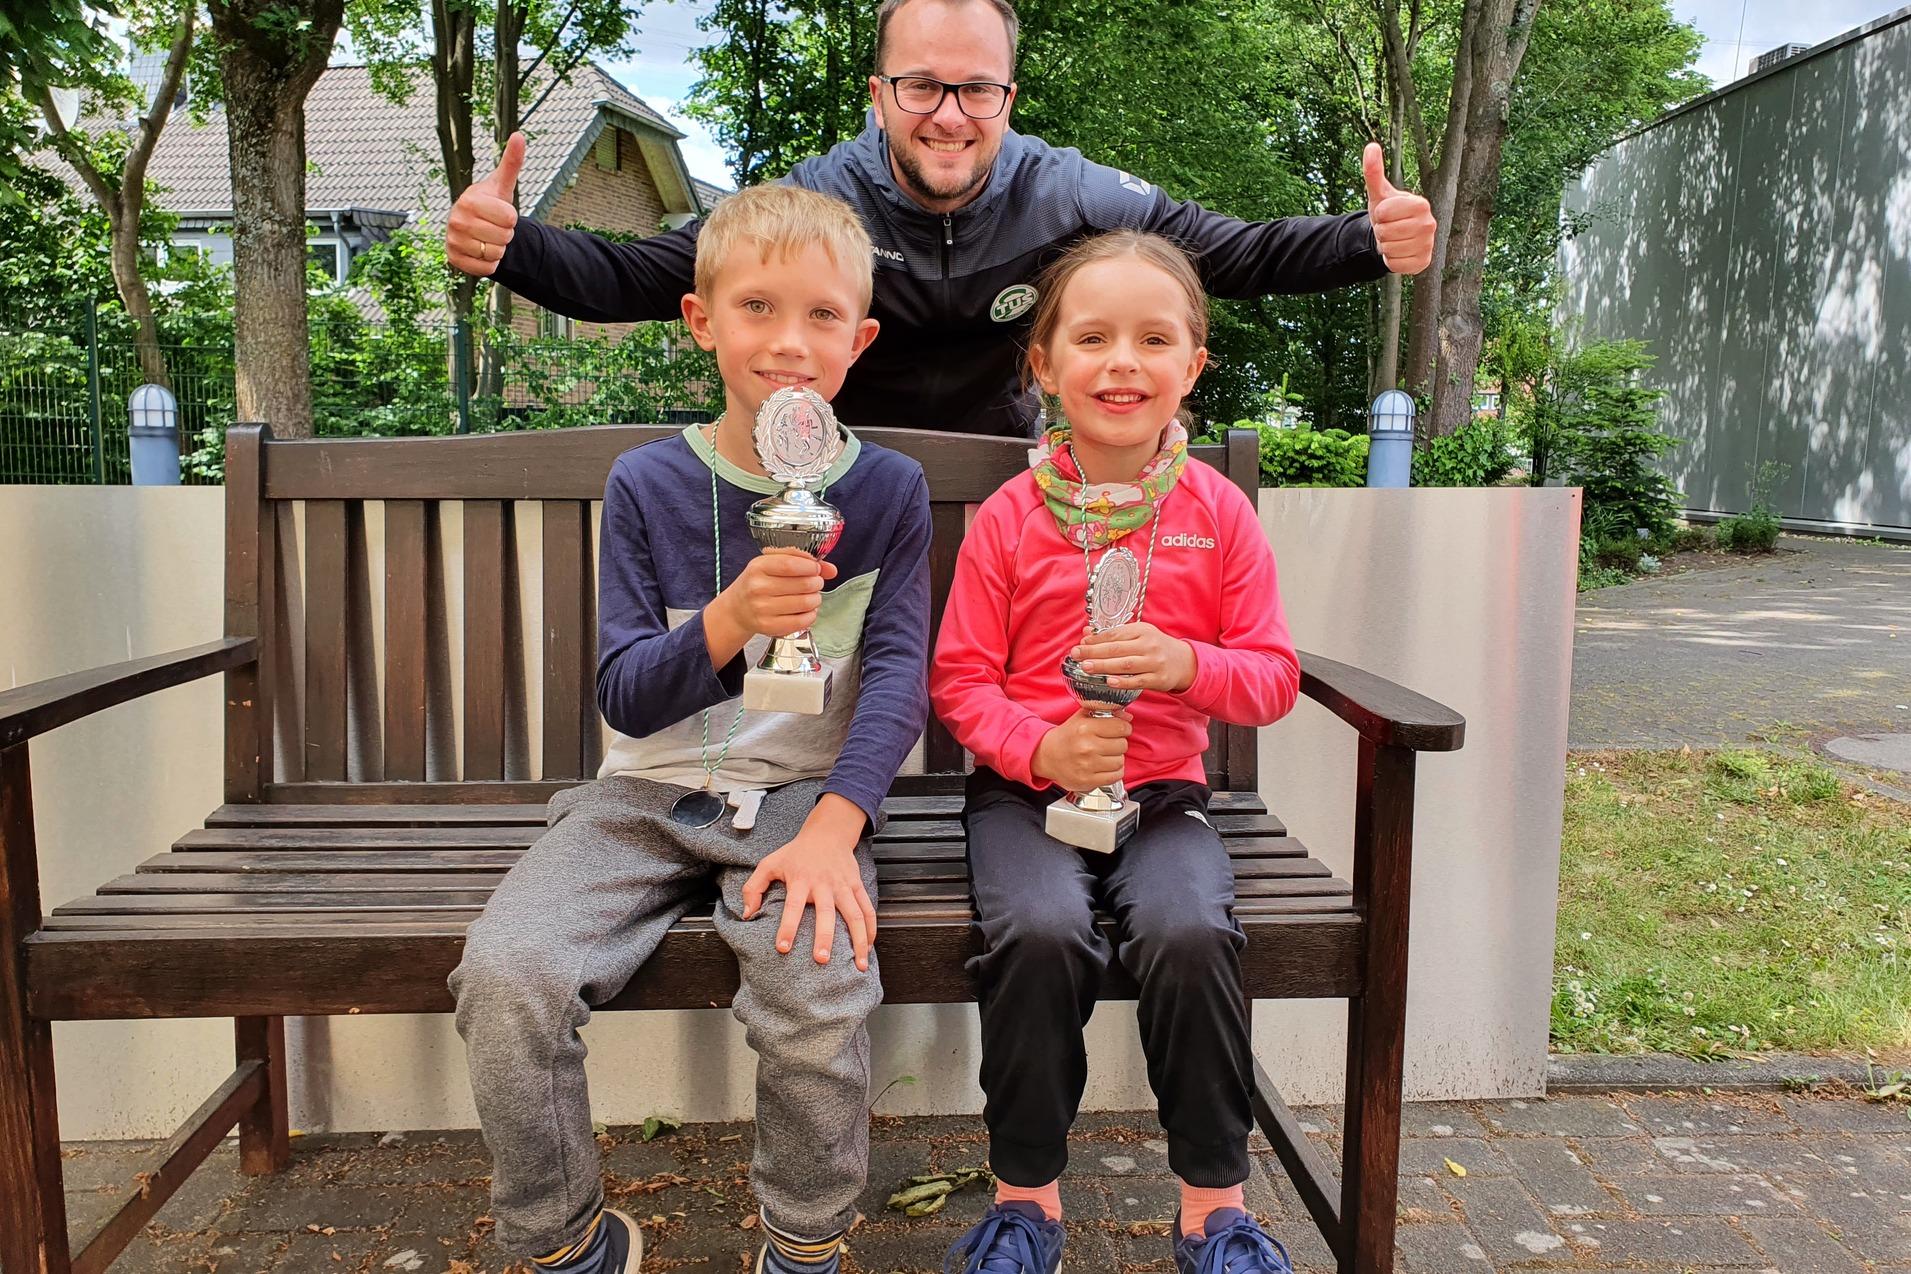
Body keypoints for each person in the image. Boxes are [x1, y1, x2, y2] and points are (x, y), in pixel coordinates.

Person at [449, 183, 932, 1274]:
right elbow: (624, 692)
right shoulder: (646, 483)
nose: (790, 343)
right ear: (701, 320)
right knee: (509, 972)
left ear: (859, 340)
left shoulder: (889, 491)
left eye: (821, 318)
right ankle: (563, 1235)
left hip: (805, 803)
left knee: (816, 984)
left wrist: (837, 826)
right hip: (638, 797)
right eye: (758, 307)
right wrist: (730, 620)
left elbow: (901, 673)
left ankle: (805, 1243)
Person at [444, 0, 1437, 438]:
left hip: (999, 483)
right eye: (923, 86)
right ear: (877, 96)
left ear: (1008, 94)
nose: (951, 115)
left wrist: (1365, 239)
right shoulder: (818, 197)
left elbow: (1231, 254)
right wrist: (516, 249)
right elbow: (657, 273)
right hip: (832, 484)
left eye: (976, 89)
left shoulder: (1068, 194)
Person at [928, 229, 1303, 1273]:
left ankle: (1215, 1209)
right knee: (1042, 930)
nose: (1123, 361)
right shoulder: (1009, 519)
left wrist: (1187, 665)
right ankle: (1026, 1201)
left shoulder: (1218, 515)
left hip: (1167, 794)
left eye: (1154, 338)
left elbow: (1272, 674)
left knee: (1188, 928)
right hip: (1020, 795)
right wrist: (1042, 746)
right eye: (1091, 337)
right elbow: (959, 681)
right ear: (1043, 366)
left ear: (1193, 363)